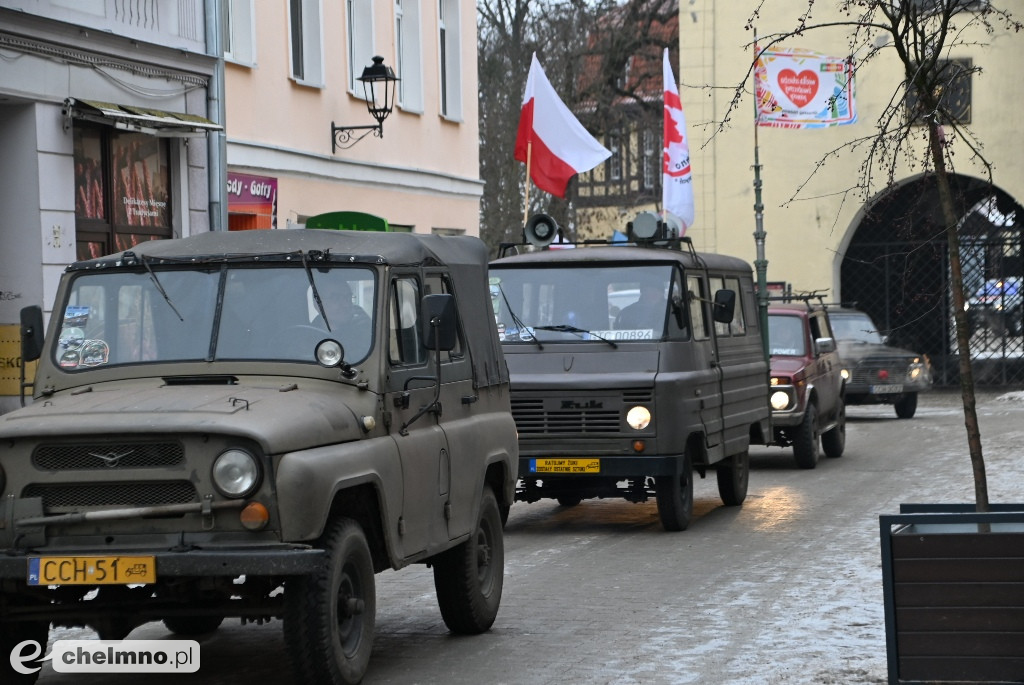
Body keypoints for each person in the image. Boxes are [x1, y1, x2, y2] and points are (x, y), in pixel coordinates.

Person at [311, 280, 373, 360]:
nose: (346, 304)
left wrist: (371, 329)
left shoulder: (362, 334)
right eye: (336, 298)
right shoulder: (306, 336)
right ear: (317, 304)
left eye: (348, 297)